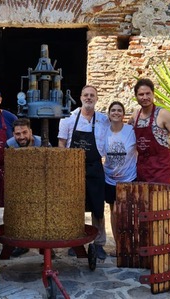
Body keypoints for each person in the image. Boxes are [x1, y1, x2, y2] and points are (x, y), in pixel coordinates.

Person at [58, 85, 110, 261]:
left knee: (97, 206)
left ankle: (99, 244)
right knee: (74, 205)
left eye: (92, 95)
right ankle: (75, 242)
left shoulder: (103, 120)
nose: (89, 98)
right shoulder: (69, 119)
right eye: (86, 95)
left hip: (95, 166)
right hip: (73, 168)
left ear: (96, 98)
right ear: (80, 97)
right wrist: (65, 168)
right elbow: (62, 144)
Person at [130, 78, 170, 184]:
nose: (145, 97)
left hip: (161, 170)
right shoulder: (135, 115)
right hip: (141, 170)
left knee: (160, 200)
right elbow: (125, 134)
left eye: (148, 93)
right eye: (141, 94)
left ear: (153, 94)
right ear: (136, 96)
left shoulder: (163, 114)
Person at [4, 117, 42, 257]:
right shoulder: (9, 145)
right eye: (18, 134)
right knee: (19, 216)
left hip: (39, 184)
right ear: (13, 134)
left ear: (30, 131)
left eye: (24, 132)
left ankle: (45, 246)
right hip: (19, 185)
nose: (22, 137)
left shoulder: (42, 143)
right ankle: (21, 245)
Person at [103, 101, 137, 246]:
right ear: (109, 114)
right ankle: (118, 245)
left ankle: (129, 245)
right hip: (110, 179)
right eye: (113, 110)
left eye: (119, 110)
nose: (116, 112)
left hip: (129, 178)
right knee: (114, 212)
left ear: (123, 114)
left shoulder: (131, 130)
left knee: (129, 212)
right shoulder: (103, 131)